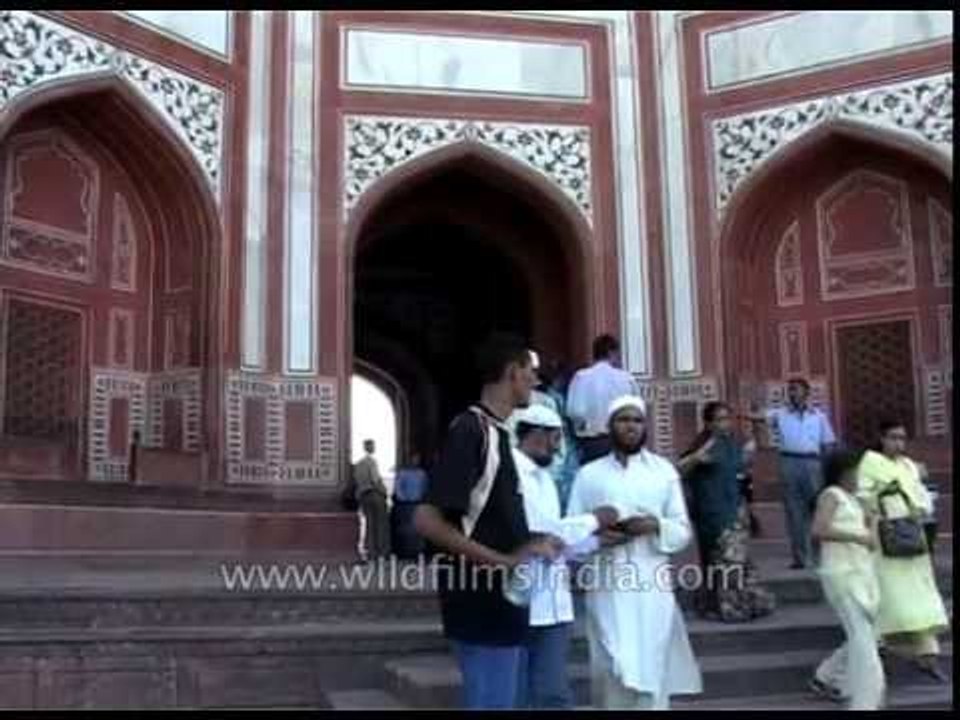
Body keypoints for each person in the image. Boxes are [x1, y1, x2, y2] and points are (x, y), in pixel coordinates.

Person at [413, 334, 564, 710]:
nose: (536, 381)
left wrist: (531, 543)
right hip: (481, 603)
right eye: (531, 372)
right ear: (513, 373)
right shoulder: (472, 430)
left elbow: (490, 520)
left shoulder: (498, 436)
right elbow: (427, 519)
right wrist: (505, 562)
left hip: (503, 604)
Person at [567, 395, 702, 709]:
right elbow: (572, 532)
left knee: (652, 661)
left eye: (637, 420)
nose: (631, 426)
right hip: (607, 582)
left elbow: (682, 528)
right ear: (610, 425)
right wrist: (599, 536)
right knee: (611, 661)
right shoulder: (589, 475)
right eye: (623, 420)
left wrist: (654, 524)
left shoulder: (662, 471)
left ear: (645, 426)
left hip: (651, 583)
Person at [510, 403, 621, 709]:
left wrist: (596, 541)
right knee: (517, 695)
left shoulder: (544, 478)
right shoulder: (511, 474)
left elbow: (557, 545)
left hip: (554, 604)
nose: (558, 449)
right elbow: (542, 534)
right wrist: (594, 519)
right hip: (522, 601)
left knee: (553, 694)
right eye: (555, 439)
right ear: (534, 434)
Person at [856, 420, 949, 683]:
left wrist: (919, 507)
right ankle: (878, 650)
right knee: (887, 593)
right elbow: (862, 498)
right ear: (881, 438)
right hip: (884, 534)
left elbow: (921, 496)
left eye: (902, 438)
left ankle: (928, 655)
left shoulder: (908, 465)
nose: (898, 443)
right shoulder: (869, 462)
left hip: (912, 533)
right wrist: (882, 494)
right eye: (893, 438)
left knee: (922, 594)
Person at [677, 402, 775, 623]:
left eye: (727, 419)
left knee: (733, 562)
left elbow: (750, 456)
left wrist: (759, 426)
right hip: (710, 513)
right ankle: (720, 606)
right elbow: (678, 470)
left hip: (734, 512)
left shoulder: (732, 445)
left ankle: (734, 605)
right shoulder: (703, 445)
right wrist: (696, 458)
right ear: (709, 423)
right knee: (716, 562)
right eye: (720, 419)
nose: (725, 424)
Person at [809, 449, 885, 710]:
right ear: (843, 472)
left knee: (868, 635)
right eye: (855, 471)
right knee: (863, 639)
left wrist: (873, 520)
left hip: (862, 572)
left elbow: (872, 541)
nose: (859, 476)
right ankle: (866, 701)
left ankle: (828, 676)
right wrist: (856, 537)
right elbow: (819, 529)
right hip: (841, 574)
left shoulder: (855, 500)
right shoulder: (831, 495)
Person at [752, 378, 837, 569]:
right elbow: (758, 416)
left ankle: (819, 557)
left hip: (813, 463)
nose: (791, 393)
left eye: (795, 390)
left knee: (816, 510)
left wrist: (827, 469)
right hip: (788, 462)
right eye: (790, 390)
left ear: (806, 393)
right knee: (794, 511)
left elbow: (828, 444)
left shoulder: (818, 416)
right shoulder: (780, 414)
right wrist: (737, 413)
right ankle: (800, 558)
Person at [566, 335, 640, 465]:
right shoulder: (626, 378)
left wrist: (584, 425)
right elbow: (637, 409)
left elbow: (574, 412)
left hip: (591, 443)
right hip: (621, 441)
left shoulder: (581, 377)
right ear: (612, 352)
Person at [353, 439, 391, 561]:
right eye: (372, 445)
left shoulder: (358, 464)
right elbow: (375, 480)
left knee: (370, 524)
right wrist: (385, 493)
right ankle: (382, 552)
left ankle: (371, 552)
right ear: (369, 447)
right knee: (381, 524)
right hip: (375, 495)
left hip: (364, 496)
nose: (373, 447)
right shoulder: (372, 461)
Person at [391, 452, 428, 559]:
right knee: (406, 529)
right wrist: (404, 499)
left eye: (417, 459)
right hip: (406, 505)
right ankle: (405, 552)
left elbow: (425, 488)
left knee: (418, 529)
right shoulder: (403, 473)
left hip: (418, 503)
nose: (415, 461)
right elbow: (398, 488)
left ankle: (418, 552)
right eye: (413, 459)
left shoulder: (422, 474)